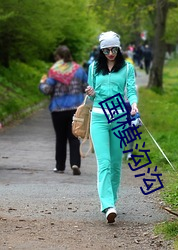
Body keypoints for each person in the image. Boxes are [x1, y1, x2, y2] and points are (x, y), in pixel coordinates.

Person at [85, 31, 138, 223]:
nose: (110, 53)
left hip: (119, 118)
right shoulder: (93, 68)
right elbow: (91, 97)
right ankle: (107, 205)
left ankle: (112, 201)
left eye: (114, 49)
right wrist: (90, 92)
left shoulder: (127, 68)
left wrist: (133, 104)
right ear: (101, 50)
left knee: (116, 163)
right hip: (98, 118)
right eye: (106, 50)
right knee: (104, 162)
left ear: (119, 48)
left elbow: (130, 90)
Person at [39, 45, 88, 175]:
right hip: (75, 109)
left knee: (60, 138)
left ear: (58, 57)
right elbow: (86, 87)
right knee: (74, 137)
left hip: (58, 109)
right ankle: (75, 163)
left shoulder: (54, 71)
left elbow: (47, 90)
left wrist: (42, 83)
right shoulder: (79, 70)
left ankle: (60, 166)